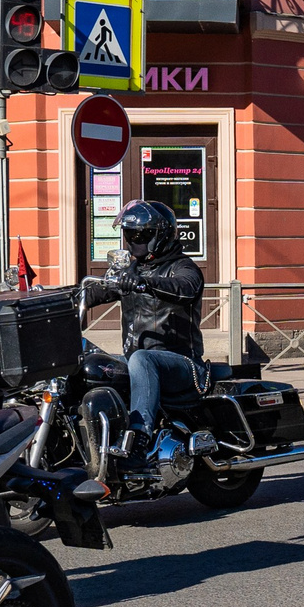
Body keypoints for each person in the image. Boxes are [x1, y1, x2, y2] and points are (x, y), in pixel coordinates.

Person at [80, 198, 206, 469]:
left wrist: (144, 283)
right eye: (130, 234)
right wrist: (57, 297)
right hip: (139, 359)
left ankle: (139, 439)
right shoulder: (131, 270)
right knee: (92, 362)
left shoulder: (184, 267)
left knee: (141, 358)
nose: (134, 239)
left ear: (160, 236)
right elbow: (96, 291)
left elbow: (185, 288)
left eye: (141, 234)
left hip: (182, 363)